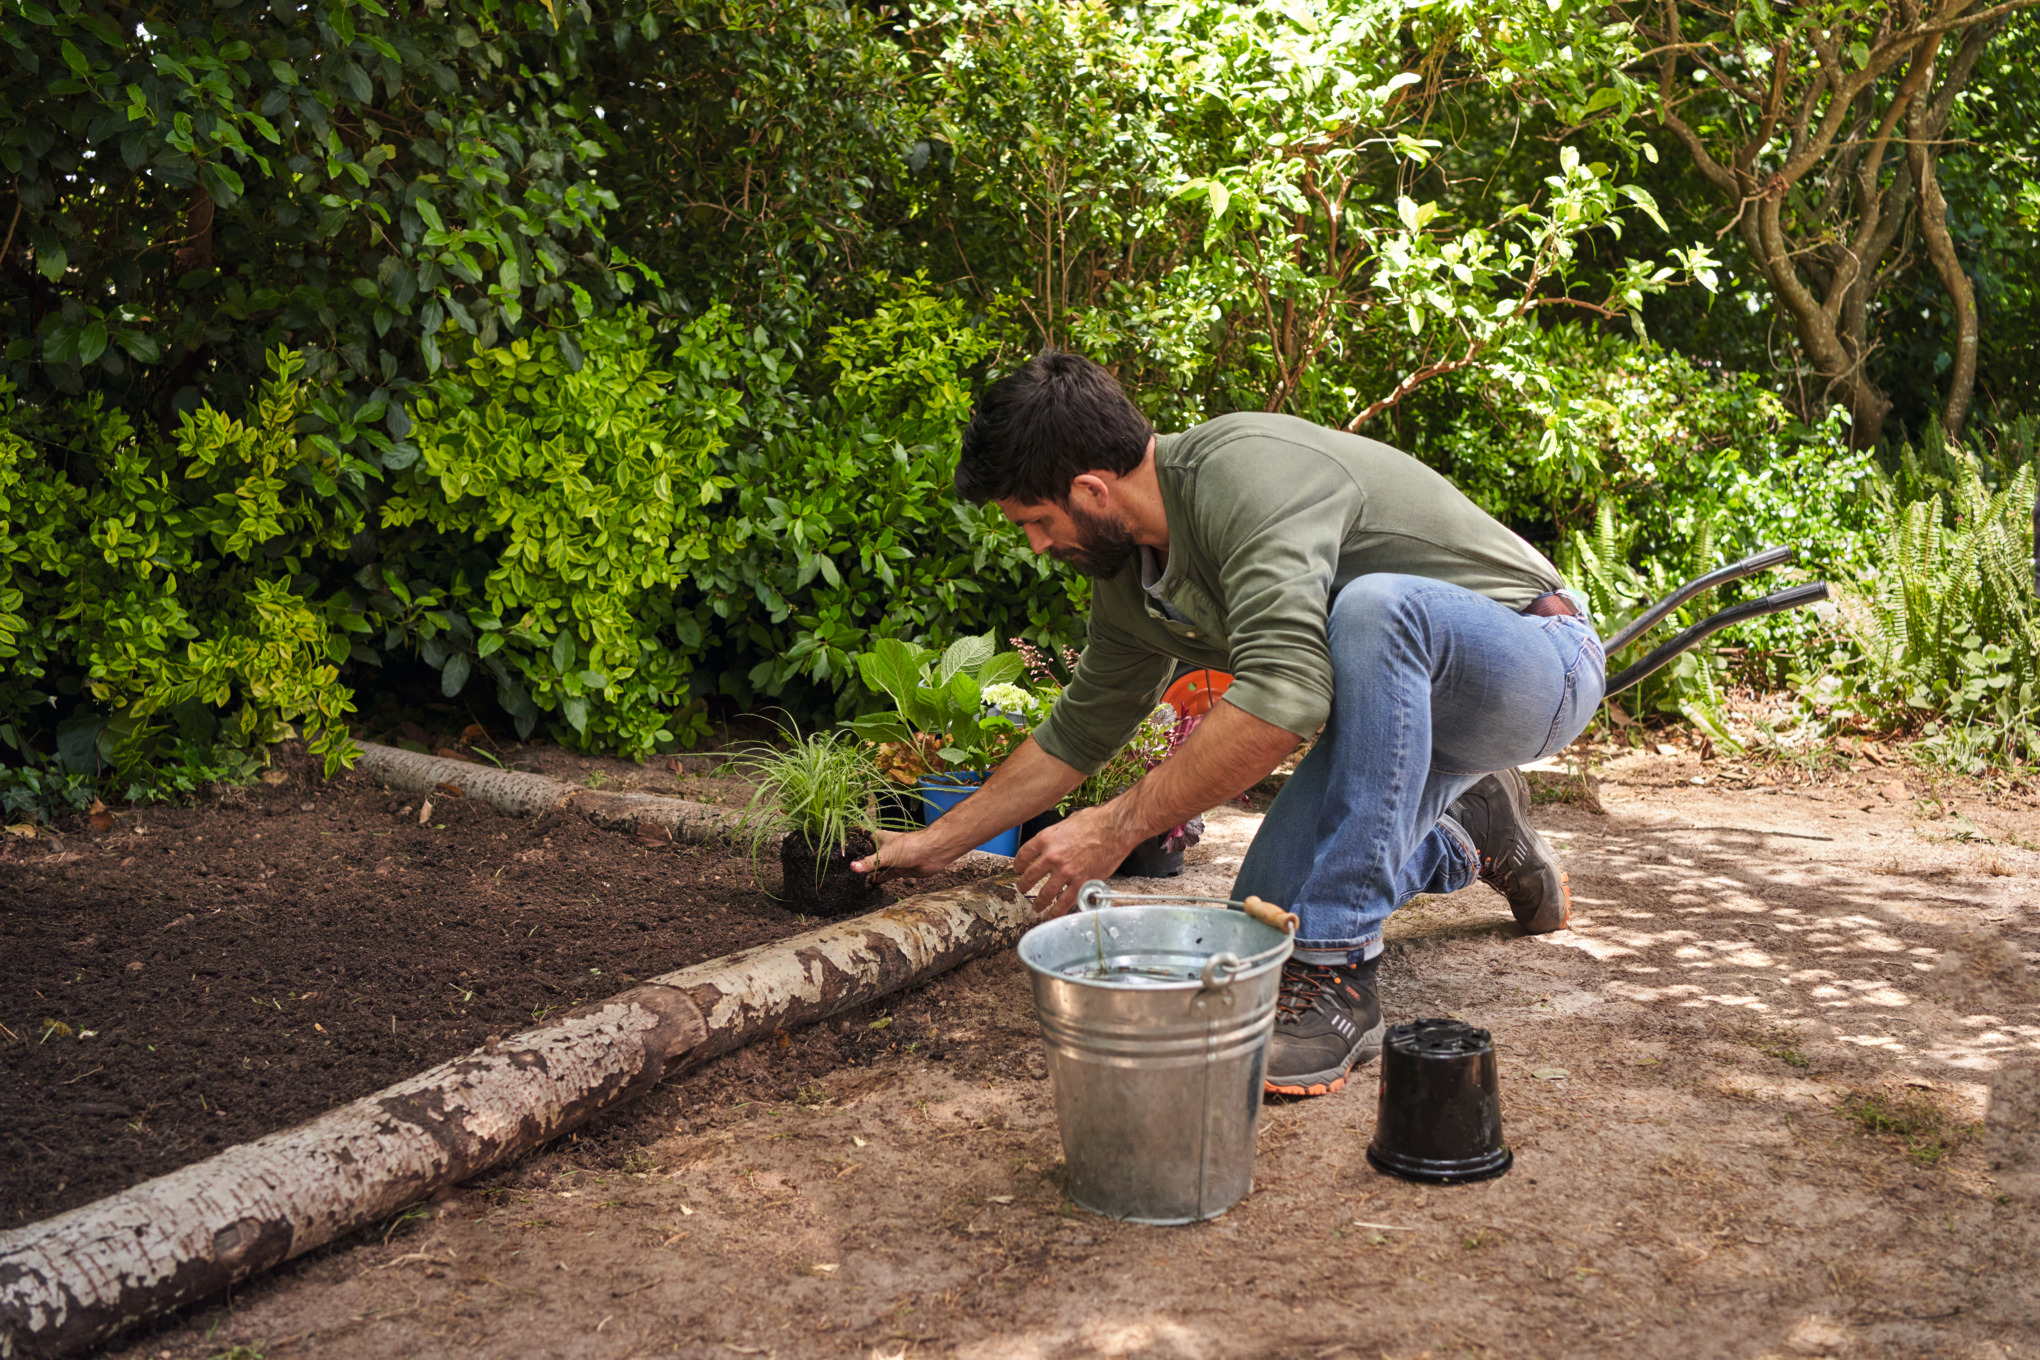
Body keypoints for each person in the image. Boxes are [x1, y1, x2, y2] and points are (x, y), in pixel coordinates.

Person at [853, 351, 1604, 1097]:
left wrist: (1116, 827)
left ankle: (1343, 977)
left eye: (1038, 522)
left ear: (1090, 489)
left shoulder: (1247, 476)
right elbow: (1077, 734)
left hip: (1537, 662)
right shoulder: (1127, 577)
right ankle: (1469, 838)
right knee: (1265, 919)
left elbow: (1286, 698)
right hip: (1407, 728)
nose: (1038, 546)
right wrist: (938, 842)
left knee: (1376, 608)